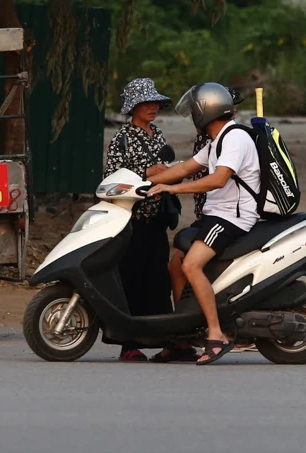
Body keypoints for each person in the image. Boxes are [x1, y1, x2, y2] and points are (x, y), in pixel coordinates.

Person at [148, 82, 261, 365]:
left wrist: (172, 189)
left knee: (191, 265)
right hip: (216, 215)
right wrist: (140, 183)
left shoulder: (235, 138)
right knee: (176, 262)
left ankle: (216, 335)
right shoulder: (217, 141)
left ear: (205, 112)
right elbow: (185, 168)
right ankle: (184, 336)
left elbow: (218, 179)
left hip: (231, 217)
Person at [104, 77, 198, 363]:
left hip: (157, 219)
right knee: (132, 280)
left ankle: (172, 341)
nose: (153, 107)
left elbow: (166, 170)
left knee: (159, 282)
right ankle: (128, 345)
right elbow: (111, 182)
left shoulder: (157, 134)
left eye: (155, 102)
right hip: (131, 221)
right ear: (133, 107)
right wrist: (147, 175)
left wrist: (171, 172)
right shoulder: (122, 138)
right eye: (146, 103)